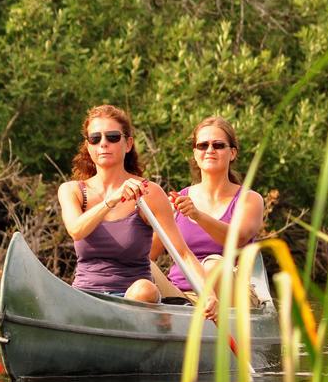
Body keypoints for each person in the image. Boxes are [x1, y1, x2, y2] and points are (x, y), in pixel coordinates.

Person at [58, 104, 217, 319]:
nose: (103, 143)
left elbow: (182, 252)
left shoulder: (149, 192)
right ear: (88, 146)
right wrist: (111, 200)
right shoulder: (72, 190)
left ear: (128, 144)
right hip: (86, 297)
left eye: (112, 137)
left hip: (135, 300)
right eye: (95, 138)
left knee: (145, 289)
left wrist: (209, 295)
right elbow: (76, 230)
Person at [150, 116, 264, 303]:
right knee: (140, 266)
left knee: (213, 265)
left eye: (218, 145)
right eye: (203, 146)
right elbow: (149, 254)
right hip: (181, 294)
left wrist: (197, 215)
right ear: (195, 153)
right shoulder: (175, 202)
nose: (210, 150)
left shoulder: (250, 200)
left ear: (232, 153)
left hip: (232, 297)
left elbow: (237, 239)